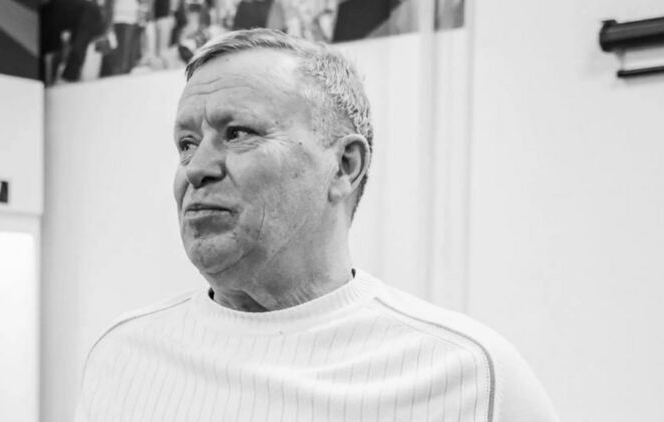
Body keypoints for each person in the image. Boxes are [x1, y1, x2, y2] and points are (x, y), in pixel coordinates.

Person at [74, 28, 559, 421]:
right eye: (186, 143)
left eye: (237, 133)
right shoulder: (123, 357)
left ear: (344, 166)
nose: (196, 168)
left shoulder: (467, 374)